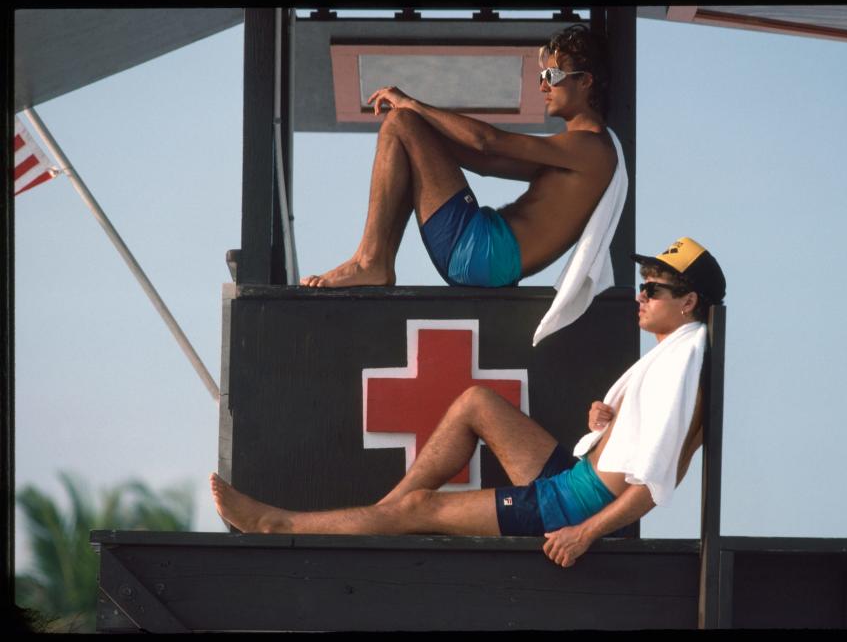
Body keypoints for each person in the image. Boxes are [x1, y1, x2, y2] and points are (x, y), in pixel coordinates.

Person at [212, 237, 727, 568]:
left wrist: (583, 535)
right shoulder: (672, 357)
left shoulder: (682, 367)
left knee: (421, 508)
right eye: (642, 287)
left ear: (688, 303)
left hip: (572, 506)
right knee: (477, 402)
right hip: (572, 476)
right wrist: (607, 424)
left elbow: (655, 483)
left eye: (653, 291)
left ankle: (276, 524)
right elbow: (649, 443)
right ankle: (386, 516)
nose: (641, 296)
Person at [299, 24, 618, 290]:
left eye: (553, 75)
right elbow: (487, 163)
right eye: (541, 77)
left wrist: (413, 107)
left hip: (484, 255)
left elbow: (487, 142)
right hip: (486, 257)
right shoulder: (574, 151)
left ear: (585, 81)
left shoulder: (592, 150)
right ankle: (376, 262)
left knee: (400, 120)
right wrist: (422, 137)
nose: (544, 85)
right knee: (406, 129)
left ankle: (370, 261)